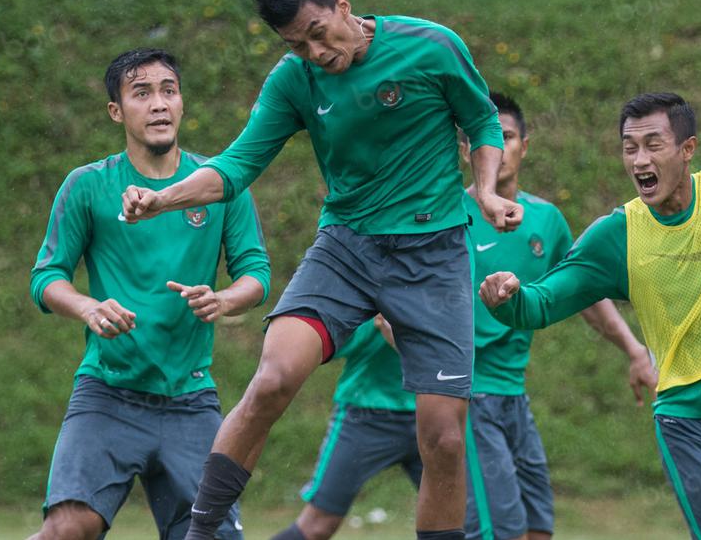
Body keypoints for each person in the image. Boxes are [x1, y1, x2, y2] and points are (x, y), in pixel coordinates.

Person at [122, 0, 522, 540]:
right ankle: (199, 533)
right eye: (296, 43)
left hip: (433, 257)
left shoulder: (431, 46)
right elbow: (235, 166)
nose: (314, 50)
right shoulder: (294, 81)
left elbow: (482, 121)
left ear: (342, 3)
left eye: (317, 31)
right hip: (347, 251)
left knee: (443, 437)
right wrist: (162, 198)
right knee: (273, 379)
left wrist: (485, 192)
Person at [280, 93, 657, 540]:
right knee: (496, 532)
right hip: (468, 399)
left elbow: (583, 292)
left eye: (509, 137)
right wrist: (444, 377)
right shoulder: (438, 220)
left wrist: (634, 349)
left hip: (515, 399)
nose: (498, 149)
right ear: (466, 151)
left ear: (524, 145)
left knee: (537, 529)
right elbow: (389, 315)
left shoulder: (547, 221)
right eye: (486, 140)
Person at [480, 93, 701, 539]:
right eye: (630, 148)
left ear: (688, 149)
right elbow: (541, 304)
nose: (640, 159)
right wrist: (506, 298)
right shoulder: (617, 236)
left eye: (652, 144)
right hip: (689, 427)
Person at [28, 48, 272, 540]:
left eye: (168, 90)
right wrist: (87, 306)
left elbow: (257, 275)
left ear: (181, 104)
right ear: (116, 111)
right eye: (142, 94)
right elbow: (46, 277)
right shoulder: (88, 186)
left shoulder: (221, 186)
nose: (159, 104)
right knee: (68, 528)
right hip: (107, 393)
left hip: (191, 398)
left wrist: (223, 300)